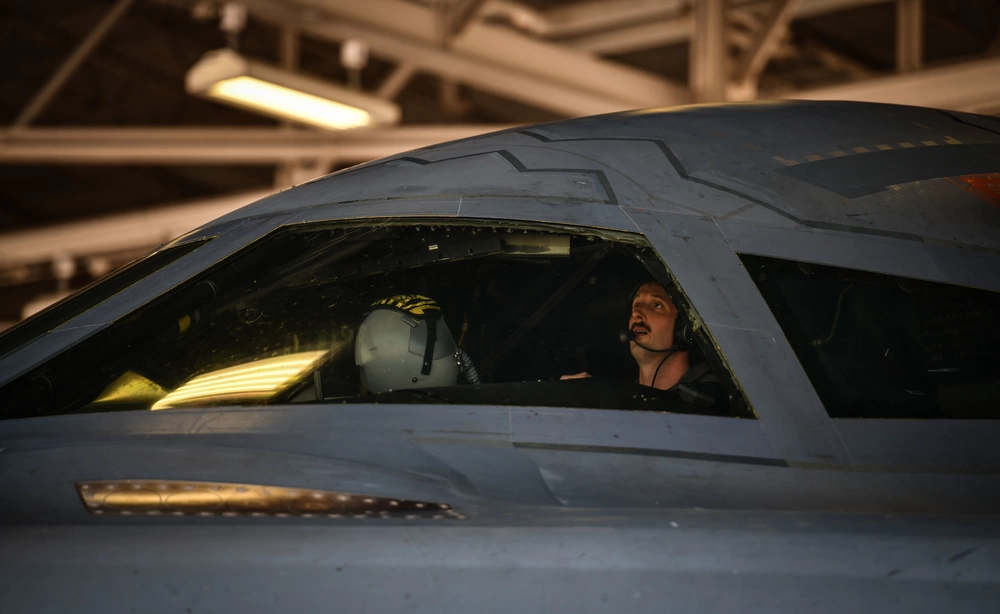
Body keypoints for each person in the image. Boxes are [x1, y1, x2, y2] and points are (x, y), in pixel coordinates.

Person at [562, 281, 717, 396]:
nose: (637, 313)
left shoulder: (711, 399)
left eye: (657, 305)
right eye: (636, 306)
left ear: (683, 329)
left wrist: (606, 395)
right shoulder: (630, 396)